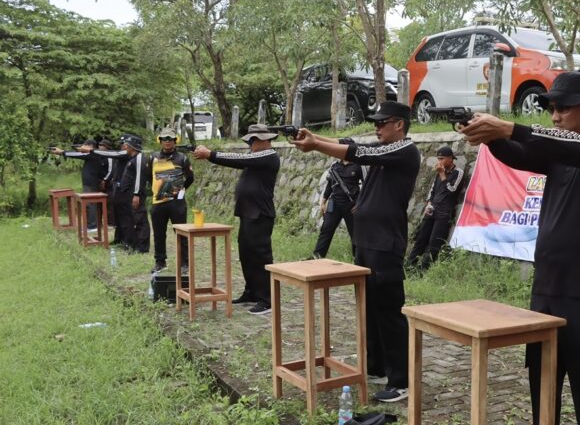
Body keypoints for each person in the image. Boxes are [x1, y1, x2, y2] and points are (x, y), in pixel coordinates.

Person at [460, 71, 580, 425]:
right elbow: (521, 153)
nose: (554, 117)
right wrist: (486, 134)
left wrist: (509, 128)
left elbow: (561, 144)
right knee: (543, 388)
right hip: (547, 290)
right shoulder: (559, 149)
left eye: (563, 109)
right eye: (551, 109)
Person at [290, 101, 420, 403]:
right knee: (369, 308)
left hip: (385, 243)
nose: (377, 127)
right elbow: (350, 144)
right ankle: (376, 366)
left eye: (382, 122)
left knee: (389, 311)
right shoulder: (383, 149)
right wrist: (315, 139)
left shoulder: (404, 150)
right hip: (365, 241)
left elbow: (357, 152)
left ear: (399, 124)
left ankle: (401, 380)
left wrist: (316, 146)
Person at [193, 124, 280, 316]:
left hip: (260, 214)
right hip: (248, 213)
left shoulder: (268, 155)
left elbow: (239, 159)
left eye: (253, 140)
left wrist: (211, 154)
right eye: (249, 140)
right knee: (247, 255)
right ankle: (251, 292)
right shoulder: (256, 157)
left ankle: (267, 299)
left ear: (265, 140)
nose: (250, 144)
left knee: (261, 257)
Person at [88, 134, 151, 253]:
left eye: (126, 145)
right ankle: (131, 243)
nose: (124, 147)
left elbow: (139, 178)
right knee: (129, 219)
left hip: (135, 194)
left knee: (140, 220)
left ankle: (142, 247)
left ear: (133, 147)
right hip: (127, 193)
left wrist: (136, 194)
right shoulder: (131, 158)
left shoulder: (139, 158)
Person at [406, 146, 464, 271]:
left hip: (444, 212)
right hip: (432, 209)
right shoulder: (439, 172)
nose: (439, 161)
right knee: (420, 239)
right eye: (438, 159)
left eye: (442, 158)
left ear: (450, 158)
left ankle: (423, 270)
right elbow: (431, 191)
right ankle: (409, 266)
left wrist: (442, 174)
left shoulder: (458, 172)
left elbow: (451, 191)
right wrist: (428, 204)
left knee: (434, 243)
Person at [148, 128, 195, 274]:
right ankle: (160, 262)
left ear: (175, 141)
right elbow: (148, 176)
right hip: (159, 202)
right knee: (158, 233)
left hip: (177, 202)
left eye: (170, 139)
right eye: (164, 139)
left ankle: (184, 263)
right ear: (160, 141)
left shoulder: (182, 158)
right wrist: (159, 190)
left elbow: (190, 177)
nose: (167, 141)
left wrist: (180, 190)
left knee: (181, 233)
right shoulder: (153, 157)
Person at [311, 138, 365, 259]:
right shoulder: (335, 165)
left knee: (355, 234)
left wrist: (360, 204)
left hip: (352, 205)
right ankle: (317, 257)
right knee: (326, 230)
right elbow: (330, 184)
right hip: (334, 204)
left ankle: (359, 261)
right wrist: (323, 201)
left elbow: (366, 186)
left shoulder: (358, 166)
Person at [50, 138, 105, 232]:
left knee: (89, 204)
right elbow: (79, 153)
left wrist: (62, 152)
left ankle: (92, 226)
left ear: (90, 147)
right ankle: (92, 225)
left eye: (85, 146)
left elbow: (77, 155)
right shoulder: (93, 154)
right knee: (90, 204)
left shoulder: (93, 154)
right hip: (90, 183)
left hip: (91, 183)